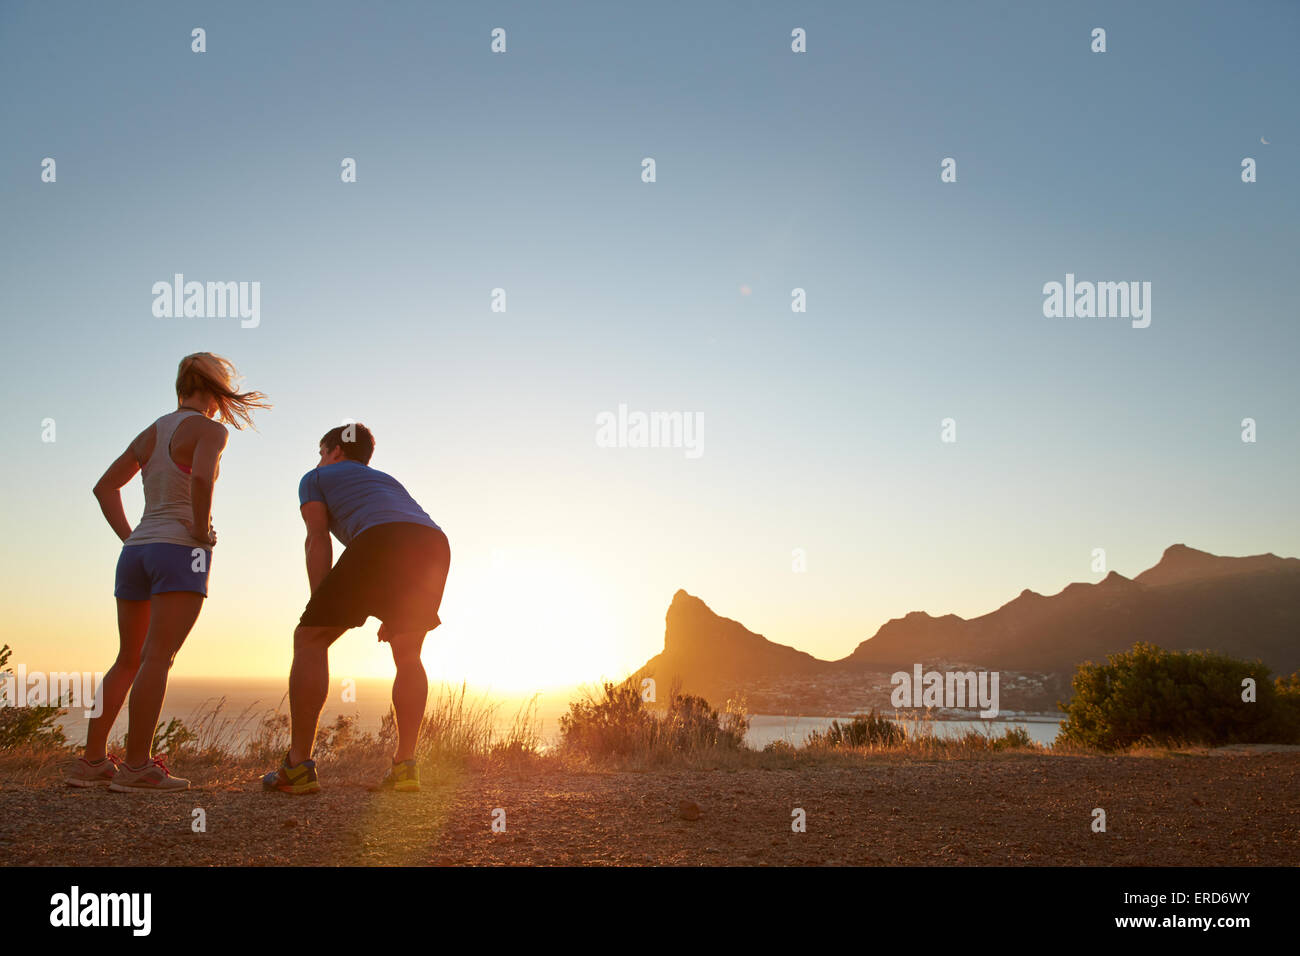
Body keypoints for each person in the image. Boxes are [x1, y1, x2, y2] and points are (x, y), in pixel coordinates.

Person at [67, 353, 269, 792]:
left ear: (181, 385)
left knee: (127, 659)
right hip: (180, 551)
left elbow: (104, 488)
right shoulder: (212, 430)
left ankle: (91, 762)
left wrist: (129, 537)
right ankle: (137, 767)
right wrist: (199, 531)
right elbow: (201, 480)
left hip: (137, 551)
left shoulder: (150, 432)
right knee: (158, 657)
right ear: (216, 392)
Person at [262, 423, 450, 795]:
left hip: (381, 538)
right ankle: (405, 767)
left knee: (310, 640)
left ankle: (298, 766)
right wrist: (392, 612)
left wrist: (320, 605)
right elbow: (402, 530)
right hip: (432, 543)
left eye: (321, 452)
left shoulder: (316, 477)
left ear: (334, 451)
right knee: (408, 654)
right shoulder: (386, 480)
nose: (319, 459)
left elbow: (317, 536)